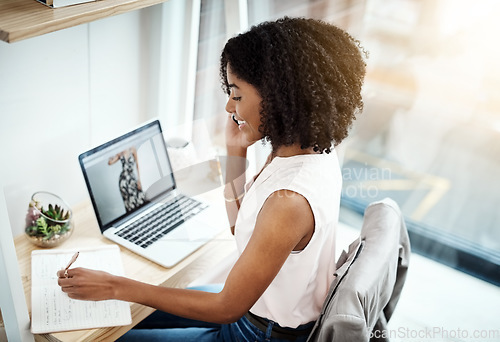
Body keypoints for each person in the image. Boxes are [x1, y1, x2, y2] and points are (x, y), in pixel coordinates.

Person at [57, 16, 366, 342]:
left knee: (115, 334)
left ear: (277, 96)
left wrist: (114, 285)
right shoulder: (308, 152)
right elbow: (241, 228)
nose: (228, 105)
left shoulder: (289, 200)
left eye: (237, 95)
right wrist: (236, 152)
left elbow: (224, 306)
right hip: (251, 312)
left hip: (255, 333)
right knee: (127, 318)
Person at [108, 146, 145, 212]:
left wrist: (139, 180)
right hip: (123, 180)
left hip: (132, 178)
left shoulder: (132, 149)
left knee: (139, 196)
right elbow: (110, 163)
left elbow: (138, 165)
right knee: (129, 201)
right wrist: (113, 155)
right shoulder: (120, 152)